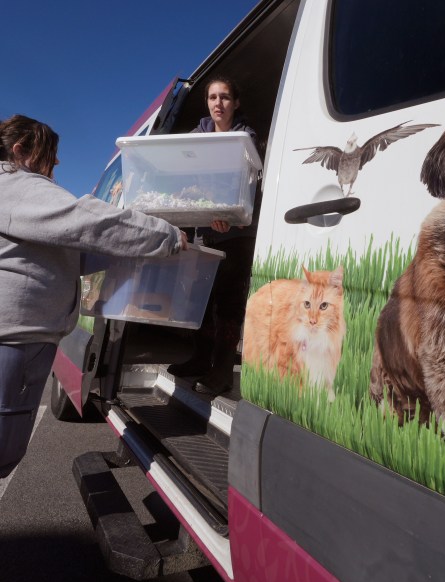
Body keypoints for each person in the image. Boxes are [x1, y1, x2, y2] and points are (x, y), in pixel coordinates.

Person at [0, 114, 188, 478]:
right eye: (49, 153)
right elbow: (88, 220)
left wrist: (133, 251)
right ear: (20, 150)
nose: (56, 162)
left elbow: (71, 252)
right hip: (14, 344)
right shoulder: (15, 184)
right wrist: (163, 236)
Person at [168, 76, 259, 395]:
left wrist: (231, 217)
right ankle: (199, 359)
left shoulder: (246, 139)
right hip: (207, 231)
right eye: (212, 97)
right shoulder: (197, 140)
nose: (218, 103)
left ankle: (221, 371)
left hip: (237, 234)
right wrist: (195, 214)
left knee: (227, 303)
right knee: (200, 300)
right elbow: (189, 185)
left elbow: (246, 187)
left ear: (235, 103)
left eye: (224, 97)